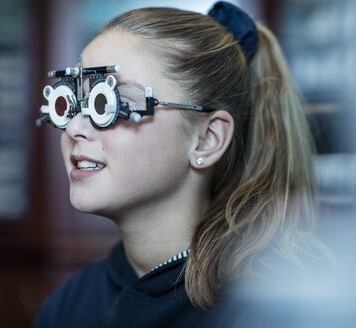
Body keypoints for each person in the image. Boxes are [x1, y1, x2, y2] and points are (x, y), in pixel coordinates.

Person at [34, 2, 328, 327]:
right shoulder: (69, 303)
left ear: (207, 139)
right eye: (73, 103)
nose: (74, 128)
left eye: (108, 103)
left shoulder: (273, 309)